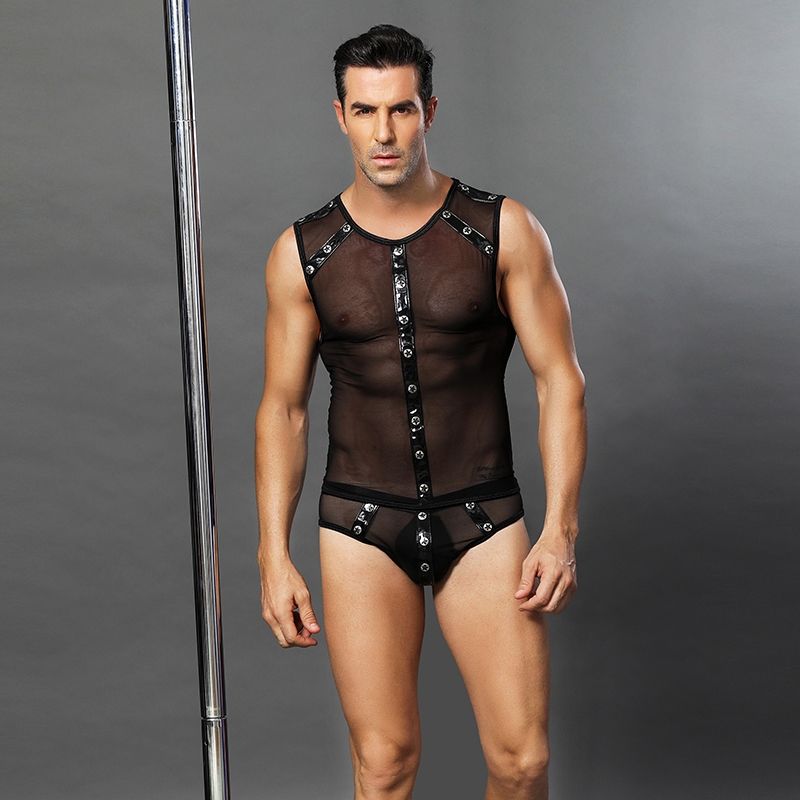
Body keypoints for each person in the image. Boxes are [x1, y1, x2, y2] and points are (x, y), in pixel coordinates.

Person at [255, 23, 587, 800]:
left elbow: (561, 381)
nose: (383, 133)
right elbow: (283, 409)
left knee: (522, 761)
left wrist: (561, 531)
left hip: (484, 516)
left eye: (400, 109)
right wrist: (272, 554)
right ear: (341, 116)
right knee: (384, 765)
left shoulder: (503, 229)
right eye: (365, 111)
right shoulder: (302, 252)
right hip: (361, 522)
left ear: (428, 111)